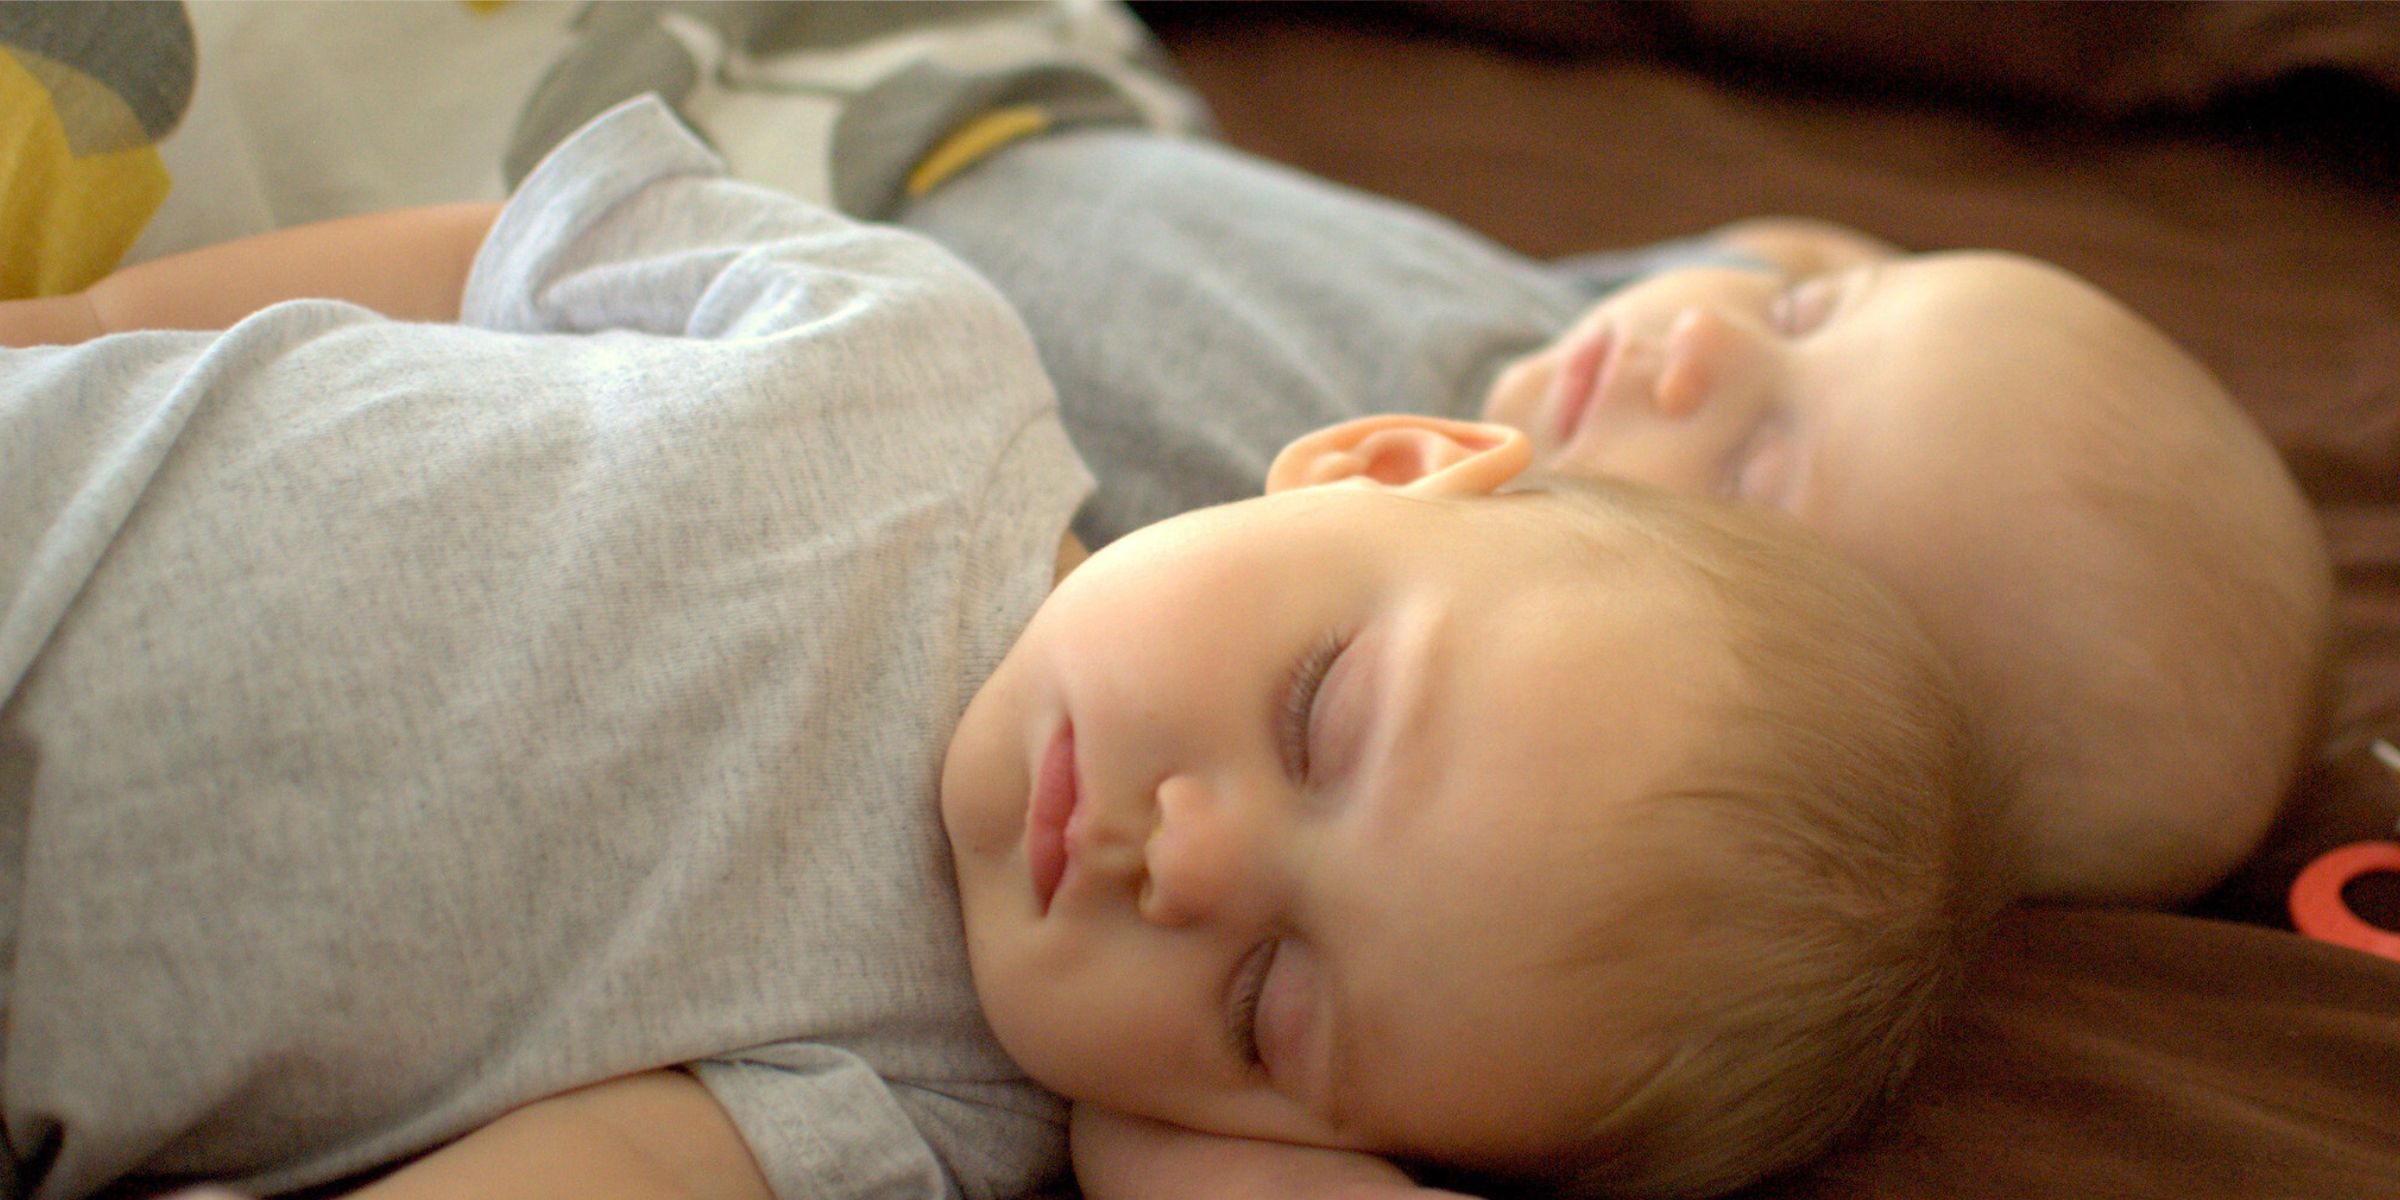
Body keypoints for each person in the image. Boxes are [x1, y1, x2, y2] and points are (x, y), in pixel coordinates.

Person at [0, 97, 1991, 1200]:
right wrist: (76, 328)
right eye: (1319, 718)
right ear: (1376, 466)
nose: (1187, 861)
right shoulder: (920, 353)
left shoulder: (918, 1102)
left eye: (1271, 1007)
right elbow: (501, 254)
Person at [894, 127, 2337, 908]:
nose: (1703, 343)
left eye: (1759, 468)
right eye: (1814, 314)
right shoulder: (1593, 342)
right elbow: (1777, 251)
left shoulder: (1312, 674)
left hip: (817, 227)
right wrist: (1820, 284)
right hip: (1014, 85)